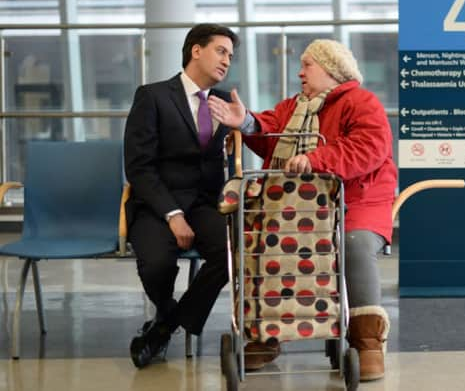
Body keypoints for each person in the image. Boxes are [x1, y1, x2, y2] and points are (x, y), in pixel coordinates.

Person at [209, 39, 397, 381]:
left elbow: (369, 147)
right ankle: (267, 333)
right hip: (295, 205)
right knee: (262, 243)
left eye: (307, 65)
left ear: (330, 69)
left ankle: (367, 341)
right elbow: (269, 130)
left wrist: (315, 159)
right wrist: (246, 122)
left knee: (352, 244)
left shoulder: (362, 103)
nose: (300, 72)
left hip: (357, 202)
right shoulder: (294, 106)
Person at [124, 23, 239, 369]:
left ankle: (165, 326)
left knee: (231, 253)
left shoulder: (222, 103)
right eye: (221, 51)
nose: (227, 61)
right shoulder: (153, 96)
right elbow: (139, 167)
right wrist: (172, 214)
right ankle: (167, 313)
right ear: (196, 50)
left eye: (231, 57)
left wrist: (242, 123)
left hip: (204, 204)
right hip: (157, 206)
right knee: (157, 264)